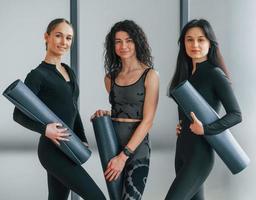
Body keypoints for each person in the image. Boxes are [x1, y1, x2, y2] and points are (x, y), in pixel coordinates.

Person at [13, 18, 106, 200]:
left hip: (69, 147)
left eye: (69, 38)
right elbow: (18, 114)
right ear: (46, 37)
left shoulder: (68, 71)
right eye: (59, 35)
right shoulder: (37, 75)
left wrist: (82, 138)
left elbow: (73, 108)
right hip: (52, 150)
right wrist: (45, 129)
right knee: (97, 197)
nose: (64, 42)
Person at [165, 19, 242, 200]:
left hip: (199, 156)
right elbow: (191, 112)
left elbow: (236, 115)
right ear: (183, 43)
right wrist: (182, 125)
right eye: (189, 40)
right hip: (182, 152)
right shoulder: (185, 74)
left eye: (201, 39)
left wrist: (205, 129)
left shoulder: (214, 74)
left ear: (210, 43)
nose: (195, 45)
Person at [92, 20, 159, 200]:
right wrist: (106, 115)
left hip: (136, 149)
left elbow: (148, 121)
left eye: (128, 40)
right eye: (118, 41)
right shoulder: (110, 78)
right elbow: (120, 109)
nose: (123, 46)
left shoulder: (150, 75)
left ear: (137, 42)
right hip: (111, 145)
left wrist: (123, 156)